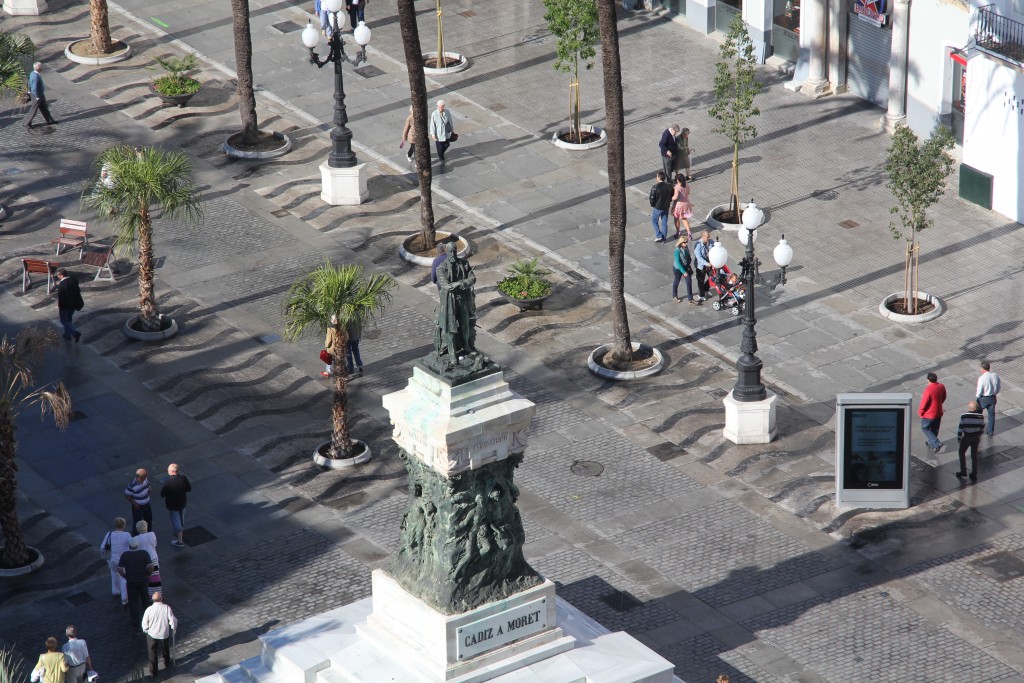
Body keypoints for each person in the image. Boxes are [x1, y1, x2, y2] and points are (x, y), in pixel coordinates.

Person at [118, 537, 154, 626]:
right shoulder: (144, 553)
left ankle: (135, 620)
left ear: (129, 545)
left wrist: (126, 576)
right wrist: (148, 574)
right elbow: (151, 566)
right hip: (143, 579)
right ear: (138, 545)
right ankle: (148, 618)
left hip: (131, 580)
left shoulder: (125, 555)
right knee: (145, 599)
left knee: (133, 601)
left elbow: (120, 569)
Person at [141, 593, 178, 677]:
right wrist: (173, 627)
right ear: (161, 598)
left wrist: (146, 630)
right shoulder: (166, 608)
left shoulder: (149, 610)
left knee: (152, 652)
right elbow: (172, 620)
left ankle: (153, 671)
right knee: (165, 648)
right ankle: (167, 662)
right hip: (164, 632)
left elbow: (144, 623)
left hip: (152, 634)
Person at [100, 517, 132, 606]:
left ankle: (115, 591)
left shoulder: (109, 534)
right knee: (123, 578)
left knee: (114, 574)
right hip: (123, 560)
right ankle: (124, 598)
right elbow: (131, 546)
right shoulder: (127, 535)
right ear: (124, 525)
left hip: (112, 560)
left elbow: (102, 547)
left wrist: (105, 557)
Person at [161, 463, 191, 547]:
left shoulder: (168, 482)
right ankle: (181, 533)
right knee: (181, 519)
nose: (167, 471)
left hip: (172, 505)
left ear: (171, 471)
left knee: (176, 522)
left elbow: (162, 494)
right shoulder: (183, 478)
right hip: (182, 503)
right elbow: (189, 488)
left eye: (168, 470)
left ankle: (180, 541)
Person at [956, 401, 985, 483]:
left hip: (967, 437)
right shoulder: (981, 417)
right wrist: (979, 434)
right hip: (976, 438)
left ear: (970, 408)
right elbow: (982, 428)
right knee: (974, 455)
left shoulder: (964, 416)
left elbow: (960, 428)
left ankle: (963, 471)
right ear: (976, 408)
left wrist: (959, 437)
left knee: (961, 452)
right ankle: (974, 473)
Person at [918, 372, 946, 453]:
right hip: (938, 412)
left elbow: (924, 402)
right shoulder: (941, 386)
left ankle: (937, 443)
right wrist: (939, 404)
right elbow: (944, 396)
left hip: (929, 414)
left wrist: (921, 411)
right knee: (935, 429)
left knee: (925, 428)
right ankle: (931, 442)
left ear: (928, 380)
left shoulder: (928, 389)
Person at [55, 269, 84, 343]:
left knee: (63, 320)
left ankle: (75, 333)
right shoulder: (73, 280)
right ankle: (67, 334)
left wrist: (60, 307)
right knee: (69, 319)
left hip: (65, 306)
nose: (57, 276)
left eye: (58, 275)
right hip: (73, 305)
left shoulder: (62, 285)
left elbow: (61, 298)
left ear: (61, 275)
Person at [134, 521, 162, 597]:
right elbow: (154, 545)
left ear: (138, 529)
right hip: (153, 558)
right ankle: (157, 595)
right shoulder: (152, 534)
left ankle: (149, 595)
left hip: (144, 560)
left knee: (147, 578)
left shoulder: (136, 539)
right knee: (156, 578)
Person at [25, 62, 57, 128]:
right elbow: (34, 88)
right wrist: (37, 97)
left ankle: (50, 120)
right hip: (37, 96)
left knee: (44, 108)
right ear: (39, 69)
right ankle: (27, 123)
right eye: (41, 67)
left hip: (40, 95)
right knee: (34, 109)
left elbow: (29, 83)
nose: (42, 68)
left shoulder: (32, 73)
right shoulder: (36, 77)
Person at [672, 236, 700, 305]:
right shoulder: (677, 251)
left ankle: (690, 299)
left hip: (685, 267)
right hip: (678, 269)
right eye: (684, 242)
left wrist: (689, 261)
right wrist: (683, 272)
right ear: (681, 243)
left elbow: (688, 256)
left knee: (689, 282)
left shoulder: (686, 248)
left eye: (686, 242)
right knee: (676, 281)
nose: (686, 244)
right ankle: (674, 295)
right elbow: (678, 263)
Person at [124, 468, 153, 534]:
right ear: (139, 477)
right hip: (138, 507)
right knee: (137, 523)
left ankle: (148, 535)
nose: (145, 479)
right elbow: (127, 495)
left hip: (147, 504)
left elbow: (147, 486)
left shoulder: (145, 479)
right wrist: (134, 503)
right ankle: (134, 538)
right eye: (144, 477)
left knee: (149, 520)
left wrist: (149, 489)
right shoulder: (131, 485)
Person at [976, 361, 1000, 436]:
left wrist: (978, 396)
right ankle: (990, 431)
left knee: (978, 414)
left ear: (983, 368)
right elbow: (998, 386)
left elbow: (979, 390)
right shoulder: (995, 375)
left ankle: (978, 429)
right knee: (991, 415)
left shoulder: (981, 378)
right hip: (992, 397)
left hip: (983, 398)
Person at [649, 171, 673, 243]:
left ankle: (659, 235)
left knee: (654, 220)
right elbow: (672, 194)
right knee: (664, 222)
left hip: (658, 207)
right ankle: (664, 237)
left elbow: (652, 198)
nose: (656, 178)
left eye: (656, 176)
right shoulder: (669, 186)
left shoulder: (655, 187)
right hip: (666, 207)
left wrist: (653, 205)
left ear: (659, 177)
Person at [692, 230, 714, 300]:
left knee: (712, 277)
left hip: (709, 263)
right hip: (701, 265)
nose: (708, 238)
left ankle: (706, 288)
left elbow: (713, 251)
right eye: (707, 237)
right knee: (701, 280)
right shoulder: (698, 245)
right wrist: (707, 263)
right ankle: (701, 295)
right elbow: (699, 258)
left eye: (709, 237)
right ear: (702, 237)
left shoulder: (711, 242)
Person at [670, 175, 693, 239]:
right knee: (684, 219)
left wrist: (670, 198)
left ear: (677, 180)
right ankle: (689, 232)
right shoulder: (687, 185)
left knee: (676, 219)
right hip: (686, 204)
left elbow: (675, 197)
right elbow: (688, 193)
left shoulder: (677, 187)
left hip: (678, 205)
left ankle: (678, 232)